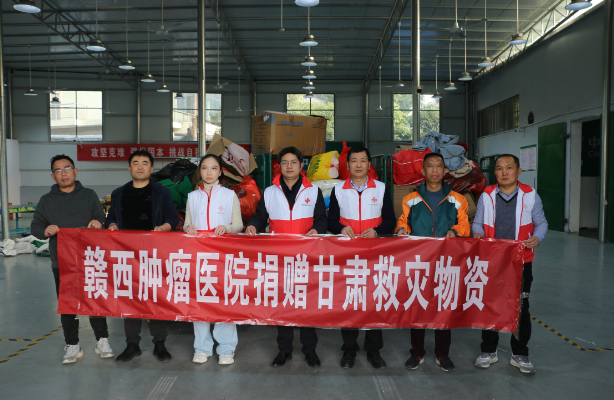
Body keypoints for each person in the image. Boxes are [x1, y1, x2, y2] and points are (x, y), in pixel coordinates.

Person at [246, 146, 327, 368]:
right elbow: (260, 216)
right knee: (283, 304)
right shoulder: (270, 192)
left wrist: (317, 229)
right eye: (284, 162)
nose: (289, 166)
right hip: (280, 258)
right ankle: (284, 350)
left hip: (306, 258)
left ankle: (310, 350)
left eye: (293, 162)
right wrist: (253, 225)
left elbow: (322, 218)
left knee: (307, 304)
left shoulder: (313, 191)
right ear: (279, 166)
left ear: (301, 165)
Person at [31, 155, 113, 364]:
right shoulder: (46, 201)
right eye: (58, 171)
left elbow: (101, 217)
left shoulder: (89, 195)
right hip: (63, 261)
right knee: (68, 303)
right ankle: (72, 344)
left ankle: (102, 340)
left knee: (95, 298)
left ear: (75, 171)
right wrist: (45, 231)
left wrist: (98, 223)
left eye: (67, 168)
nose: (63, 173)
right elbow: (36, 227)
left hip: (90, 259)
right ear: (53, 176)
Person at [472, 154, 547, 374]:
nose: (504, 172)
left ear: (518, 171)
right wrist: (477, 233)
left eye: (509, 167)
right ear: (494, 172)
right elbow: (477, 222)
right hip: (492, 260)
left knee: (521, 306)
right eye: (499, 168)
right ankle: (488, 350)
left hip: (521, 261)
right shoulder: (487, 195)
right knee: (489, 303)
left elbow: (541, 223)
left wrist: (538, 237)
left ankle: (520, 353)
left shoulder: (530, 195)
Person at [396, 152, 470, 372]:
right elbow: (403, 222)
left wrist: (454, 231)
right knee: (417, 306)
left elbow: (464, 226)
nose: (435, 170)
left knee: (443, 308)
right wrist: (401, 230)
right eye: (430, 166)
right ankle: (417, 353)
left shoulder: (458, 199)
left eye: (439, 166)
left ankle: (442, 354)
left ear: (445, 171)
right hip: (419, 262)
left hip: (447, 262)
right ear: (423, 171)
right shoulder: (411, 199)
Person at [106, 150, 179, 363]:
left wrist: (163, 228)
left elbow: (172, 219)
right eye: (135, 163)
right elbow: (110, 219)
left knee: (155, 298)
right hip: (127, 256)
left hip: (154, 255)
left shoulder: (161, 193)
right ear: (129, 168)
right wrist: (111, 224)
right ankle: (132, 345)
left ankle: (159, 343)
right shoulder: (118, 194)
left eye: (145, 163)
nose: (140, 166)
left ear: (151, 168)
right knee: (130, 300)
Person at [327, 146, 396, 370]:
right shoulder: (339, 190)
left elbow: (390, 220)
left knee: (374, 301)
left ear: (369, 165)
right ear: (347, 165)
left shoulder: (381, 188)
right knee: (350, 301)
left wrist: (377, 231)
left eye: (363, 160)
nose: (358, 165)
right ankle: (349, 350)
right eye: (354, 160)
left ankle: (374, 350)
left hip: (374, 255)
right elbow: (331, 221)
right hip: (348, 256)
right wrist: (340, 228)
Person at [184, 154, 243, 366]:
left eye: (214, 168)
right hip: (199, 257)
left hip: (223, 257)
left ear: (220, 171)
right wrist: (188, 227)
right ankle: (202, 348)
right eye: (205, 168)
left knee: (224, 301)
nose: (209, 172)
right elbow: (186, 223)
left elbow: (239, 225)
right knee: (199, 301)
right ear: (200, 171)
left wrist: (227, 228)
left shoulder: (229, 195)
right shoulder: (192, 196)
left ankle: (226, 348)